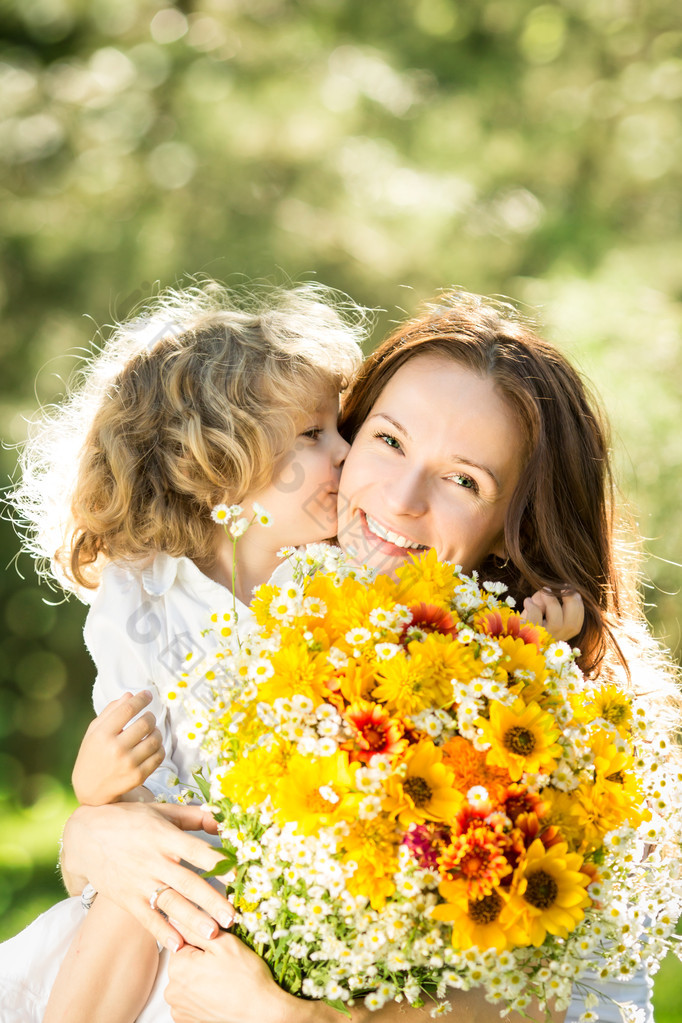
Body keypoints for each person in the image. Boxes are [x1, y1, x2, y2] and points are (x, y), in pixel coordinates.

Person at [47, 288, 681, 1023]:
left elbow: (542, 996)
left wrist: (291, 1017)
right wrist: (93, 830)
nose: (401, 497)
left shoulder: (556, 719)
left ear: (515, 526)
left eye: (463, 480)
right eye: (387, 439)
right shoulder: (295, 610)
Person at [0, 278, 366, 1023]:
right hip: (170, 865)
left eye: (339, 427)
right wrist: (98, 788)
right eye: (313, 434)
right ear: (217, 461)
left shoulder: (338, 579)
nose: (345, 451)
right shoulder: (144, 591)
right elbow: (128, 777)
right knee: (149, 877)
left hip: (292, 877)